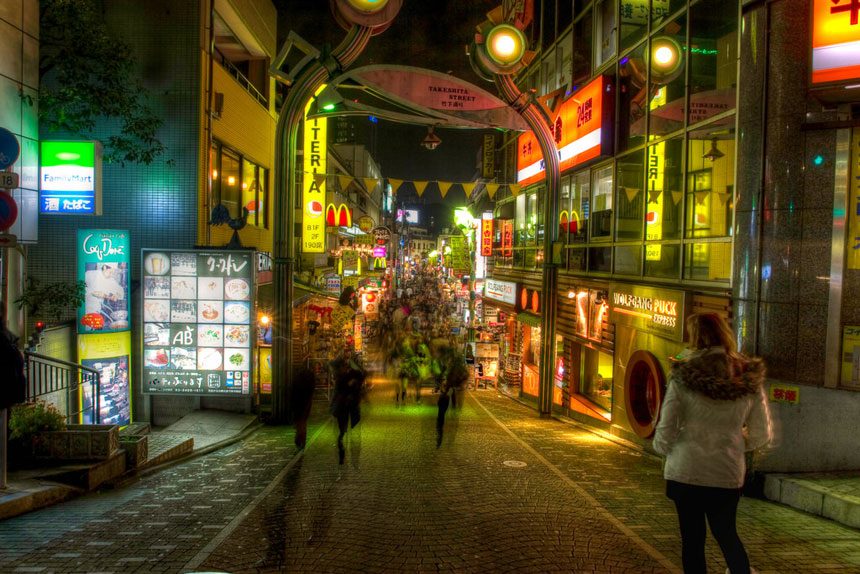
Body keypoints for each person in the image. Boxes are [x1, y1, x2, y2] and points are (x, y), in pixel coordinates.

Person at [653, 312, 772, 574]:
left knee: (692, 541)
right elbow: (762, 433)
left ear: (695, 336)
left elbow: (666, 427)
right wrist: (737, 443)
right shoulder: (747, 377)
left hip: (686, 471)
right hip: (726, 472)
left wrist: (662, 448)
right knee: (727, 535)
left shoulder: (683, 374)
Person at [330, 351, 366, 465]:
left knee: (351, 431)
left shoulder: (349, 375)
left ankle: (351, 452)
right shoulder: (343, 377)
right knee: (344, 431)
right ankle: (343, 449)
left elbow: (363, 374)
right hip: (345, 408)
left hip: (350, 407)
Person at [291, 366, 316, 450]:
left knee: (300, 421)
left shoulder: (297, 382)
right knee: (303, 421)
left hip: (298, 402)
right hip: (306, 402)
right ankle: (302, 440)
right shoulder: (309, 384)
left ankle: (299, 438)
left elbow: (292, 391)